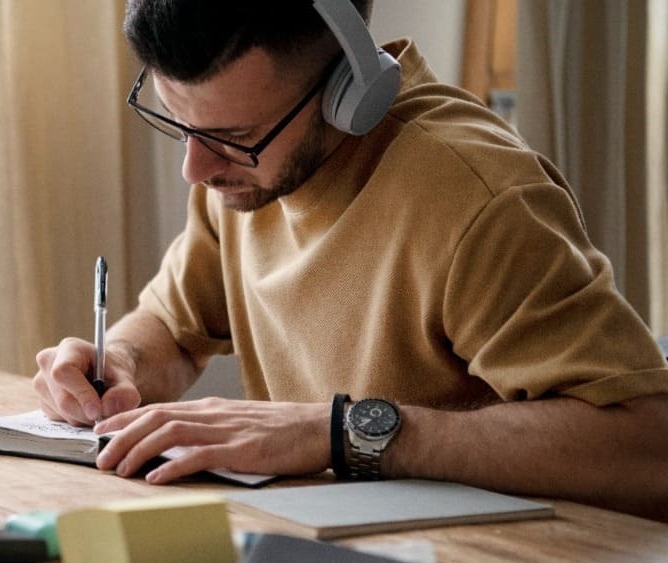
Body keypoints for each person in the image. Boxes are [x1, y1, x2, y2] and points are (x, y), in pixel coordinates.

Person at [33, 0, 668, 521]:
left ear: (349, 91)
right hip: (333, 557)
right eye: (178, 122)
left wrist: (339, 433)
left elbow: (645, 447)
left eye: (233, 138)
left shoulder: (479, 198)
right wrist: (116, 364)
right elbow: (172, 329)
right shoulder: (242, 180)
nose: (195, 170)